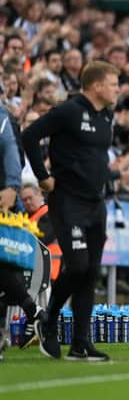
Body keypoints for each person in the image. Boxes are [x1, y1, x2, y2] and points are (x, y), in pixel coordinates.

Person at [24, 61, 121, 361]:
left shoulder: (106, 114)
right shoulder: (68, 110)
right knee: (77, 266)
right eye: (113, 83)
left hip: (96, 203)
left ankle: (81, 344)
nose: (118, 89)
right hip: (68, 201)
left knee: (90, 273)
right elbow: (29, 135)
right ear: (96, 85)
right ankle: (49, 318)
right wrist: (42, 176)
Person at [0, 105, 46, 353]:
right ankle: (34, 312)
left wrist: (11, 186)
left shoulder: (2, 119)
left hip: (4, 199)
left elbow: (9, 151)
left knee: (3, 264)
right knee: (3, 268)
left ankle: (33, 312)